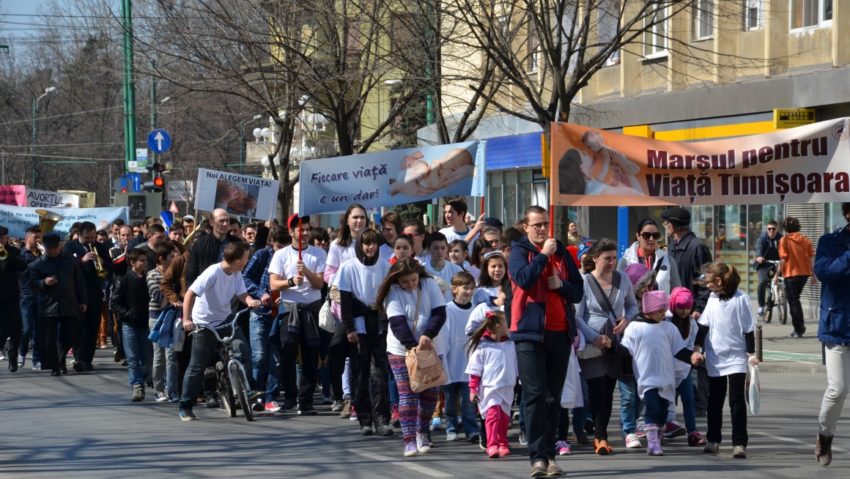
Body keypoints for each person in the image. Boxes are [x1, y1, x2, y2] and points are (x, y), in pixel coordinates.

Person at [508, 205, 583, 478]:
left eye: (545, 224)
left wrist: (561, 285)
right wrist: (542, 255)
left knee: (553, 397)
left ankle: (550, 455)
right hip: (529, 333)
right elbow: (523, 279)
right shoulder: (519, 251)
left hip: (559, 332)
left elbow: (578, 292)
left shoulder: (561, 252)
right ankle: (537, 457)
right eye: (536, 225)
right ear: (526, 227)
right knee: (535, 395)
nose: (542, 229)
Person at [177, 241, 263, 421]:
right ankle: (185, 405)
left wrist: (250, 301)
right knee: (197, 366)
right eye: (247, 258)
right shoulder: (213, 272)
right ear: (239, 261)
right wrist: (187, 320)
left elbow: (242, 294)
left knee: (243, 351)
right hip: (204, 323)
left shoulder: (236, 272)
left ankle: (249, 390)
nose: (248, 261)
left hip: (226, 320)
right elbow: (190, 294)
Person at [376, 258, 447, 457]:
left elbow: (439, 313)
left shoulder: (430, 284)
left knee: (430, 392)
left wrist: (428, 335)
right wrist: (413, 346)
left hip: (431, 347)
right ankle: (408, 439)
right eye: (405, 281)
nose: (410, 285)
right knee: (408, 393)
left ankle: (422, 432)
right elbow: (397, 322)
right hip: (401, 350)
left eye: (413, 280)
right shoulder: (392, 292)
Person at [575, 239, 638, 457]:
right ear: (595, 259)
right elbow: (577, 315)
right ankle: (598, 435)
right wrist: (593, 337)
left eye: (614, 258)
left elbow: (632, 305)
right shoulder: (584, 281)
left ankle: (601, 436)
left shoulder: (623, 279)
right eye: (607, 258)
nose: (612, 262)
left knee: (609, 390)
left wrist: (626, 320)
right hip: (592, 341)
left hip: (614, 342)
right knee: (596, 389)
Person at [620, 290, 702, 456]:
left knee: (663, 411)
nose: (662, 314)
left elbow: (679, 350)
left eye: (664, 311)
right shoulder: (635, 327)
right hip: (646, 378)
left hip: (667, 378)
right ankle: (652, 443)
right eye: (659, 311)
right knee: (652, 408)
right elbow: (624, 350)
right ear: (648, 310)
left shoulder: (669, 328)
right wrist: (612, 352)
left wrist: (692, 357)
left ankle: (657, 436)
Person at [698, 262, 758, 459]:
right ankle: (713, 440)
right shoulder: (713, 298)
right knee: (714, 401)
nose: (706, 285)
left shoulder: (741, 299)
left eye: (708, 281)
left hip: (736, 357)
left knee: (736, 401)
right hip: (715, 356)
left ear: (718, 280)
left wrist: (751, 354)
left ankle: (740, 443)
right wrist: (698, 348)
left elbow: (749, 328)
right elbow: (704, 325)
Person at [335, 228, 393, 436]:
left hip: (377, 325)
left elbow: (388, 298)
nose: (370, 247)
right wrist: (349, 328)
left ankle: (382, 419)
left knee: (379, 373)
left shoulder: (385, 267)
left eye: (374, 243)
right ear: (360, 245)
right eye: (366, 243)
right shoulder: (349, 267)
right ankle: (365, 419)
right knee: (360, 374)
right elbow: (345, 301)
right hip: (358, 326)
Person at [269, 214, 326, 415]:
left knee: (311, 354)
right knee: (288, 350)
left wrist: (307, 272)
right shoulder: (281, 255)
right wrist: (291, 282)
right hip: (290, 307)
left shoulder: (319, 254)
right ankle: (290, 398)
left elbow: (320, 283)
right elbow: (273, 284)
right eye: (301, 230)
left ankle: (306, 400)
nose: (305, 234)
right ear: (292, 232)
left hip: (311, 307)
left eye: (308, 230)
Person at [814, 202, 850, 467]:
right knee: (837, 389)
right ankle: (824, 436)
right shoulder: (829, 241)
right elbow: (824, 271)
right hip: (837, 324)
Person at [26, 232, 87, 376]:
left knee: (70, 335)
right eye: (50, 248)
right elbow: (31, 283)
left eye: (56, 247)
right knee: (49, 340)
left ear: (59, 246)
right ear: (45, 247)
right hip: (48, 306)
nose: (53, 251)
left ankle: (61, 359)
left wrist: (83, 300)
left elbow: (79, 281)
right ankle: (56, 365)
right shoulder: (37, 264)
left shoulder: (69, 260)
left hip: (69, 302)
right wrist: (43, 283)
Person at [243, 228, 289, 413]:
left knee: (275, 358)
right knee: (259, 356)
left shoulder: (290, 257)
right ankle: (256, 395)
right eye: (278, 246)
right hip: (260, 313)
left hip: (279, 312)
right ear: (271, 243)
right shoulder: (262, 255)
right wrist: (260, 294)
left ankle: (271, 397)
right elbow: (244, 277)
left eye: (284, 247)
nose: (281, 251)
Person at [434, 271, 480, 443]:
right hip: (451, 361)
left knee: (469, 401)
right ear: (454, 289)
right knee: (451, 401)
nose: (468, 292)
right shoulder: (448, 310)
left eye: (471, 288)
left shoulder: (476, 310)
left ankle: (471, 430)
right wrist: (443, 360)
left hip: (469, 362)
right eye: (465, 288)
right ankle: (451, 427)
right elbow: (443, 337)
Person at [466, 310, 518, 458]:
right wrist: (472, 389)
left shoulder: (511, 344)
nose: (510, 326)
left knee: (505, 418)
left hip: (507, 387)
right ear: (497, 327)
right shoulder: (482, 347)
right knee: (493, 415)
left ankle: (503, 443)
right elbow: (475, 370)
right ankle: (492, 444)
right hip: (490, 388)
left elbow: (517, 364)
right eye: (507, 323)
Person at [64, 221, 113, 372]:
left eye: (93, 237)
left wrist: (103, 262)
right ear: (79, 234)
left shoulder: (100, 246)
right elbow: (65, 267)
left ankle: (88, 358)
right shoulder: (70, 246)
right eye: (87, 238)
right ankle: (78, 358)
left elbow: (109, 268)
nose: (91, 241)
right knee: (79, 326)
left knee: (93, 326)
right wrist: (82, 260)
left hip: (94, 292)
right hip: (77, 293)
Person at [666, 287, 707, 447]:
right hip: (666, 369)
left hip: (683, 369)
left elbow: (693, 345)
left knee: (689, 400)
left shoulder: (692, 324)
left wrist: (696, 355)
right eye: (680, 307)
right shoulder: (666, 321)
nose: (684, 311)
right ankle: (660, 427)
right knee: (665, 401)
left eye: (687, 308)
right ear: (672, 305)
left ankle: (692, 432)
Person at [110, 248, 151, 402]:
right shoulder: (124, 279)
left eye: (146, 260)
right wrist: (127, 314)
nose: (145, 263)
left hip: (146, 324)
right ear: (133, 263)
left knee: (147, 358)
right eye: (142, 260)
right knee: (133, 357)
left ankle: (146, 377)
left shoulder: (149, 278)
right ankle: (137, 386)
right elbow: (114, 303)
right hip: (130, 325)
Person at [147, 242, 180, 402]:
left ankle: (172, 390)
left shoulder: (176, 273)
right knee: (159, 355)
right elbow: (159, 295)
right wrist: (173, 296)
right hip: (157, 318)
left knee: (172, 355)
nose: (175, 259)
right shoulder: (153, 274)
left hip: (174, 317)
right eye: (171, 257)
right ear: (161, 259)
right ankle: (159, 389)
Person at [618, 219, 681, 294]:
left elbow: (677, 292)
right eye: (646, 235)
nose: (651, 239)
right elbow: (619, 292)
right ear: (638, 236)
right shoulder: (625, 261)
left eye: (655, 235)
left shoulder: (668, 260)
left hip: (662, 305)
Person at [779, 216, 815, 338]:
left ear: (785, 228)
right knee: (795, 300)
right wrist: (814, 275)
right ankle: (799, 328)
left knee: (793, 301)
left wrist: (776, 275)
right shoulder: (806, 240)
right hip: (804, 273)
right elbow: (811, 259)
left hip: (791, 274)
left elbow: (783, 259)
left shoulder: (784, 240)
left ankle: (799, 328)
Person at [0, 225, 28, 372]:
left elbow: (22, 266)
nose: (1, 240)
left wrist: (7, 256)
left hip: (11, 296)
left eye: (3, 237)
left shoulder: (13, 251)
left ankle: (12, 357)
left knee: (16, 329)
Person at [19, 226, 44, 370]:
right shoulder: (22, 254)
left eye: (39, 237)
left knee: (38, 331)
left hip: (41, 294)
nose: (38, 240)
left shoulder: (41, 254)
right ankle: (21, 352)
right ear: (27, 238)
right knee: (27, 328)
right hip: (26, 295)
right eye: (35, 237)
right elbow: (26, 272)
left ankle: (37, 360)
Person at [753, 220, 782, 316]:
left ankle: (783, 295)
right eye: (769, 229)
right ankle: (761, 306)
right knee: (762, 282)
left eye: (773, 229)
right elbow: (758, 248)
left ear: (777, 229)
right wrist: (759, 256)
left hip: (778, 263)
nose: (771, 231)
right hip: (764, 264)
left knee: (786, 279)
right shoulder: (762, 238)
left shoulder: (781, 238)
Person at [423, 232, 463, 301]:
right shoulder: (422, 270)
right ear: (428, 249)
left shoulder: (457, 270)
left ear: (447, 249)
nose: (440, 251)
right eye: (435, 248)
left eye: (443, 248)